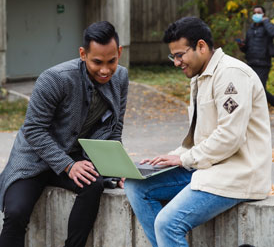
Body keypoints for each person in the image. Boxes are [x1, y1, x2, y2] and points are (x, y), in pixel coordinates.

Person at [124, 17, 272, 247]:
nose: (176, 62)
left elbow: (230, 137)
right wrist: (158, 164)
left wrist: (183, 158)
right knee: (136, 186)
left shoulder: (231, 74)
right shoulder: (200, 78)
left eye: (180, 55)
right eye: (173, 56)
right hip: (207, 167)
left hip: (237, 174)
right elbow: (197, 139)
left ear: (201, 46)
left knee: (167, 223)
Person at [0, 21, 129, 247]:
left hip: (77, 156)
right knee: (16, 212)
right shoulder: (55, 78)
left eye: (112, 61)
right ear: (83, 54)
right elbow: (33, 129)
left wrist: (117, 168)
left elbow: (115, 127)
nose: (105, 70)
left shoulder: (121, 78)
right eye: (97, 62)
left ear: (119, 52)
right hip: (35, 158)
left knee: (94, 185)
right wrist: (68, 165)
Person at [237, 5, 274, 106]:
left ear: (263, 15)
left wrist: (266, 21)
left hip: (263, 63)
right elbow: (246, 48)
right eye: (254, 13)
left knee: (260, 89)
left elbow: (272, 33)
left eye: (259, 12)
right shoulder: (250, 30)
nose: (256, 14)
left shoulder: (267, 27)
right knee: (248, 88)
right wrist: (242, 46)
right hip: (251, 63)